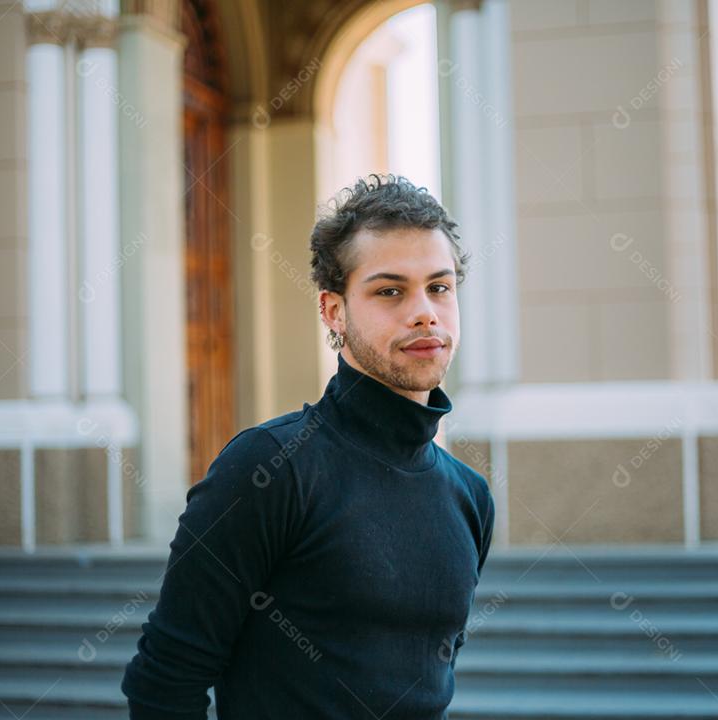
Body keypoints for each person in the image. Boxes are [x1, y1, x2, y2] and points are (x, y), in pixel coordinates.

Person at [121, 173, 495, 719]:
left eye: (439, 287)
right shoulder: (267, 470)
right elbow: (164, 682)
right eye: (390, 290)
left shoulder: (470, 497)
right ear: (333, 311)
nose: (424, 312)